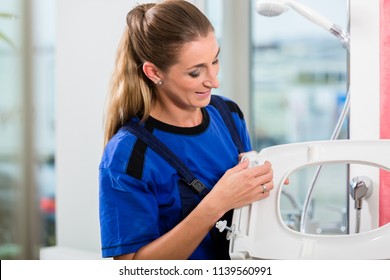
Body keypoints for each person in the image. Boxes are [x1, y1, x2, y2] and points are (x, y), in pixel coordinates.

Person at [99, 0, 274, 260]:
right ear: (154, 72)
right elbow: (130, 268)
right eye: (195, 72)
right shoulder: (128, 155)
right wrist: (216, 203)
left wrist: (265, 182)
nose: (214, 80)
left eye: (215, 61)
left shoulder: (228, 114)